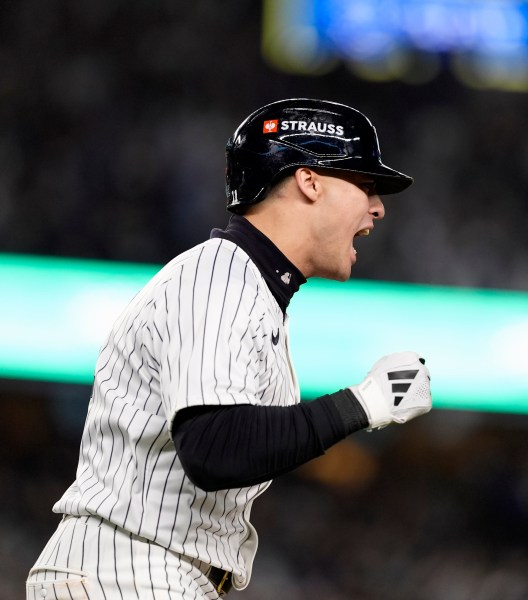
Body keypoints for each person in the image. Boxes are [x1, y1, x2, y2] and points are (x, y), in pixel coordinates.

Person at [26, 98, 432, 599]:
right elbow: (217, 448)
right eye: (365, 185)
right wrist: (363, 403)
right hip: (128, 570)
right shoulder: (221, 274)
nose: (378, 207)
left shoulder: (250, 288)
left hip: (155, 572)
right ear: (310, 182)